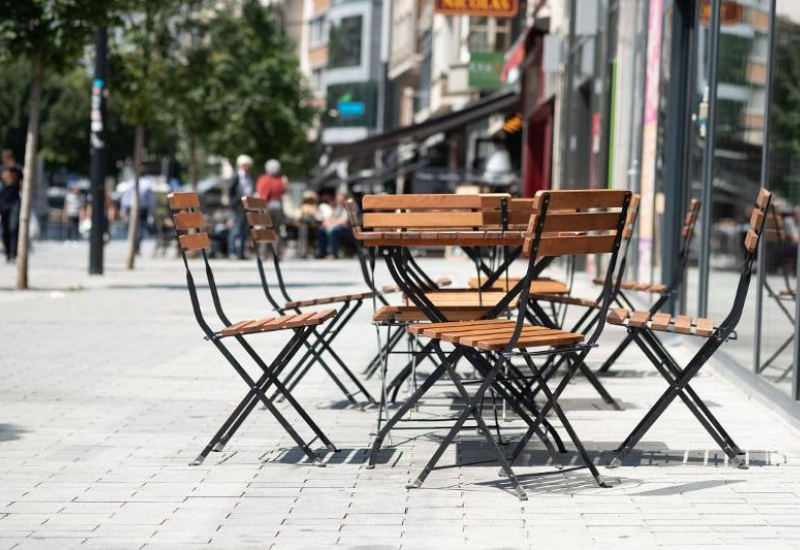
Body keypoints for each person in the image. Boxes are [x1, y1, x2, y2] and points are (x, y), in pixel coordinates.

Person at [256, 159, 287, 256]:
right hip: (277, 207)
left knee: (265, 230)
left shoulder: (263, 179)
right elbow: (283, 192)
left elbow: (261, 193)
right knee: (276, 231)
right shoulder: (280, 180)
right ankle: (276, 253)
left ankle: (263, 253)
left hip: (266, 206)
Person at [227, 154, 254, 259]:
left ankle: (241, 253)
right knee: (235, 229)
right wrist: (235, 202)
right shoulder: (236, 176)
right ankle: (232, 252)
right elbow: (230, 192)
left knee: (244, 230)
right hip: (238, 206)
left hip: (247, 206)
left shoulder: (249, 176)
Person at [0, 150, 22, 262]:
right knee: (5, 228)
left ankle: (14, 253)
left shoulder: (17, 169)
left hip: (15, 201)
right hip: (3, 202)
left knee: (14, 227)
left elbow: (24, 182)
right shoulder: (2, 169)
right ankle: (8, 253)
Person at [316, 190, 350, 259]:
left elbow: (345, 221)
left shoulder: (348, 206)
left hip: (347, 229)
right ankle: (322, 252)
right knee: (322, 229)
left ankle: (333, 253)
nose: (339, 199)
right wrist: (327, 222)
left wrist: (332, 223)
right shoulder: (337, 207)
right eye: (338, 198)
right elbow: (332, 217)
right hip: (337, 226)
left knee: (333, 230)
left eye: (341, 198)